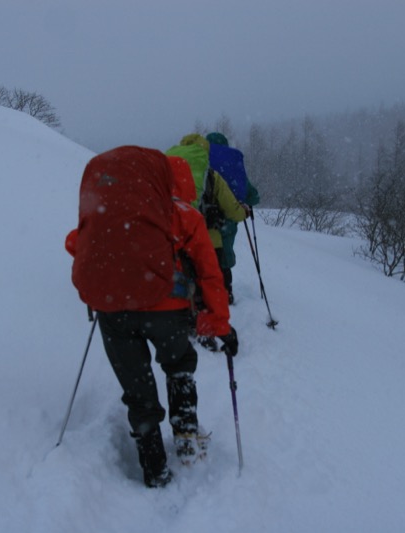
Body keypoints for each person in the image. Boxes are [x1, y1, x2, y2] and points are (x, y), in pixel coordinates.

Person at [65, 146, 238, 488]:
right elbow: (209, 273)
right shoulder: (183, 215)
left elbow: (75, 243)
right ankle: (187, 435)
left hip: (114, 313)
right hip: (167, 311)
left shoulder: (112, 211)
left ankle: (154, 468)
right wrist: (218, 323)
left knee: (138, 390)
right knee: (178, 366)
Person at [168, 134, 250, 348]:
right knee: (208, 283)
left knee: (182, 279)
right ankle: (207, 329)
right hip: (208, 239)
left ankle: (184, 320)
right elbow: (232, 208)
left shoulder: (168, 170)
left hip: (174, 237)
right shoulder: (211, 176)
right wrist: (243, 213)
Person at [205, 132, 261, 305]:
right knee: (225, 252)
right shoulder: (232, 163)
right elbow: (252, 195)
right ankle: (226, 291)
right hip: (229, 216)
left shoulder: (201, 159)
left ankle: (204, 291)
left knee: (204, 251)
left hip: (204, 213)